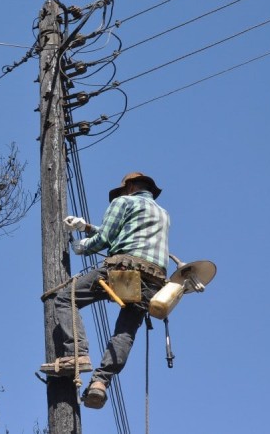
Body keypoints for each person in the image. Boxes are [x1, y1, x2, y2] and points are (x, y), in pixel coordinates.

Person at [41, 172, 170, 409]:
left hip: (124, 270)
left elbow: (105, 239)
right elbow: (125, 234)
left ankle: (76, 353)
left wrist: (79, 246)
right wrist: (87, 226)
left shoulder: (123, 202)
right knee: (125, 331)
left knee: (65, 298)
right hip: (153, 282)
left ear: (129, 186)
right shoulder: (163, 214)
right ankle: (100, 383)